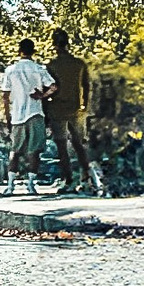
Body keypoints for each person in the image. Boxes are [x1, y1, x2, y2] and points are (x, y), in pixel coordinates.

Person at [44, 30, 93, 191]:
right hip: (75, 108)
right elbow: (86, 85)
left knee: (61, 145)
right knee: (79, 144)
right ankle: (86, 176)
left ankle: (68, 179)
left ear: (54, 45)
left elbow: (48, 89)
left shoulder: (51, 66)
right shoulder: (79, 64)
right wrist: (84, 104)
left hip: (57, 108)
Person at [1, 37, 53, 190]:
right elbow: (53, 87)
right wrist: (42, 96)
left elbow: (5, 96)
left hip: (17, 115)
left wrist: (8, 117)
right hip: (36, 113)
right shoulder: (39, 68)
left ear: (19, 51)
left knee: (15, 151)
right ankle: (31, 184)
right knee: (34, 151)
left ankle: (10, 185)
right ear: (33, 51)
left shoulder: (10, 70)